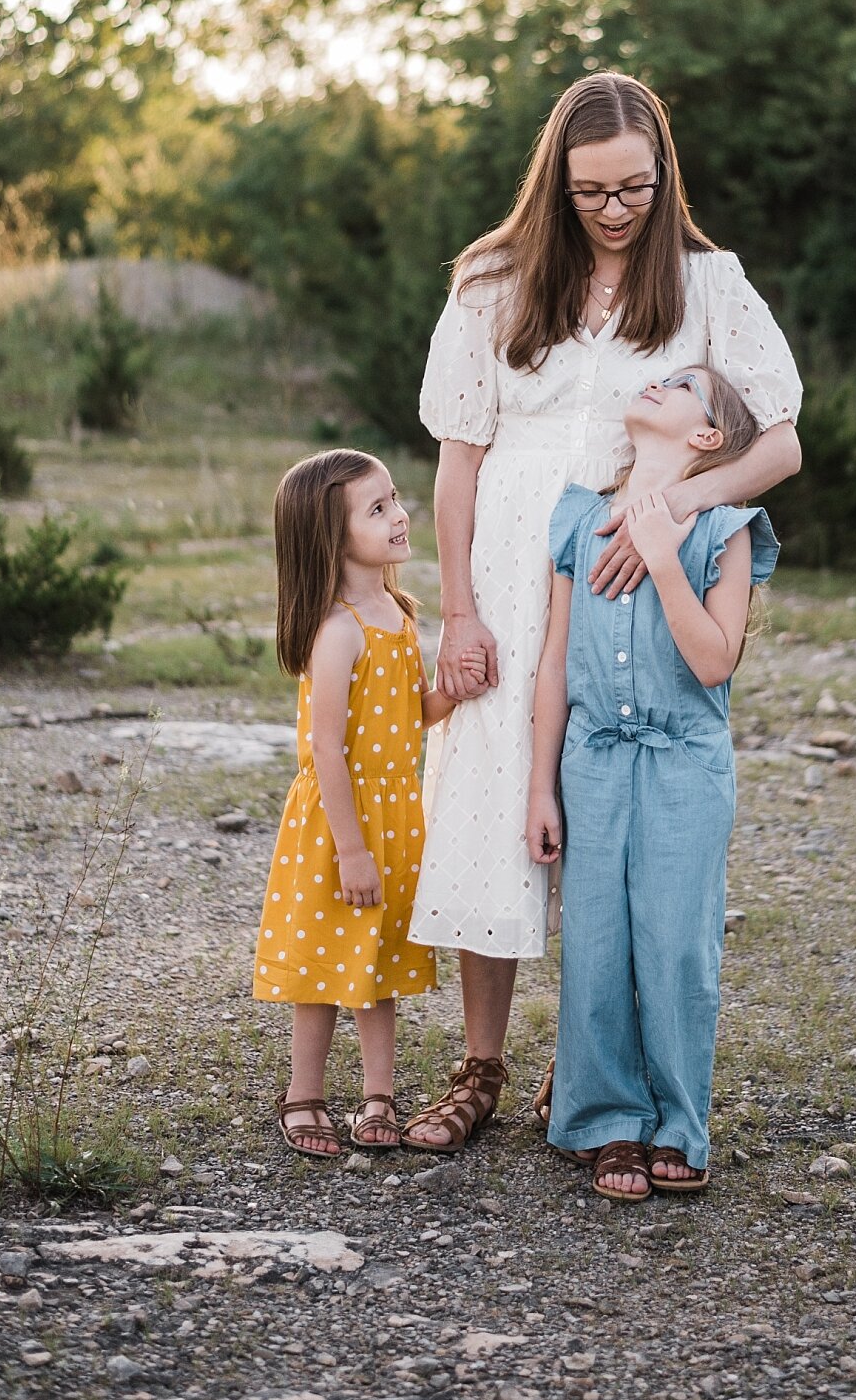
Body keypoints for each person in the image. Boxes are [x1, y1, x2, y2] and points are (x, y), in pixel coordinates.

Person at [401, 72, 801, 1155]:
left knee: (604, 814)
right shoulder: (492, 280)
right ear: (556, 181)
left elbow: (779, 440)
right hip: (504, 558)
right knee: (495, 805)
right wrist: (460, 611)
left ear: (662, 173)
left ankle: (591, 1067)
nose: (615, 210)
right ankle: (482, 1062)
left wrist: (669, 504)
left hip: (619, 569)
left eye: (634, 187)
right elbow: (456, 465)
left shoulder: (708, 281)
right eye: (591, 192)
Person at [525, 364, 777, 1199]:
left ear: (706, 437)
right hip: (591, 761)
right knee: (596, 945)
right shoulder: (579, 518)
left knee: (674, 948)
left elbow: (713, 660)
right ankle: (609, 1123)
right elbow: (555, 663)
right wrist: (539, 787)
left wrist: (666, 560)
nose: (656, 384)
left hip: (684, 766)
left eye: (681, 386)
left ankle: (678, 1122)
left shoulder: (727, 530)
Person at [253, 448, 481, 1155]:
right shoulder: (339, 628)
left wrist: (457, 688)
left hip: (389, 818)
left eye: (395, 499)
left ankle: (378, 1096)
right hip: (339, 822)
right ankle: (305, 1096)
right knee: (323, 966)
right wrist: (351, 847)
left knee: (377, 962)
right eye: (376, 509)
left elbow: (407, 714)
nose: (400, 514)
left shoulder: (398, 612)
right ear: (332, 535)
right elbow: (326, 749)